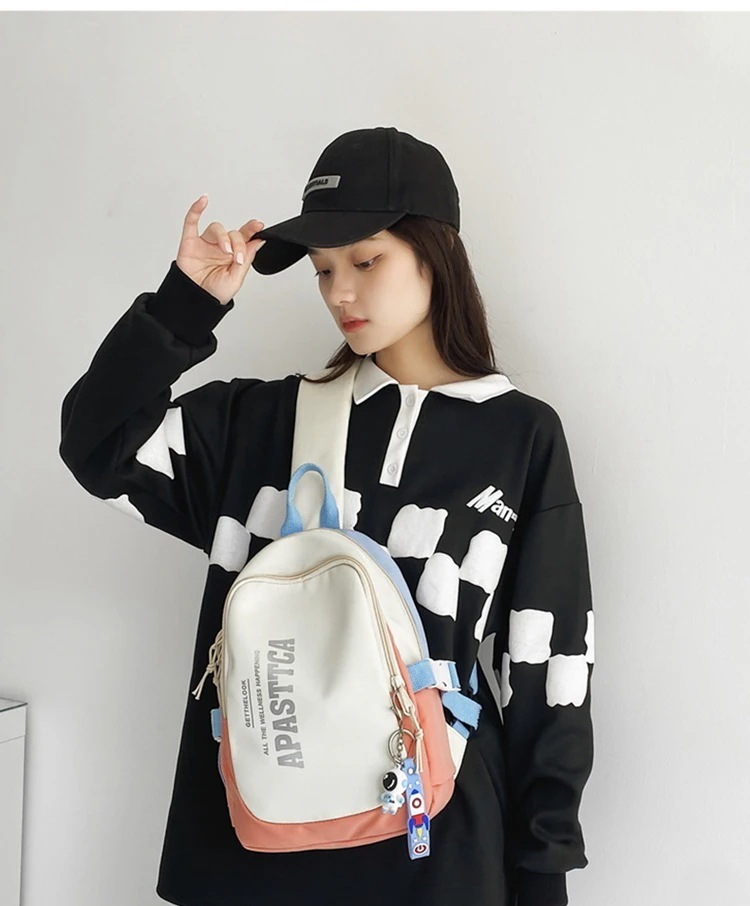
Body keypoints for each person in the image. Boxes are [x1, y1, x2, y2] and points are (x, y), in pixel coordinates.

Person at [59, 126, 594, 906]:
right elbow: (96, 448)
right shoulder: (257, 424)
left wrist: (542, 874)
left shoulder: (519, 436)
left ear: (436, 253)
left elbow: (549, 669)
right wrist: (185, 306)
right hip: (251, 848)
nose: (341, 292)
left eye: (366, 261)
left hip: (436, 854)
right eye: (323, 270)